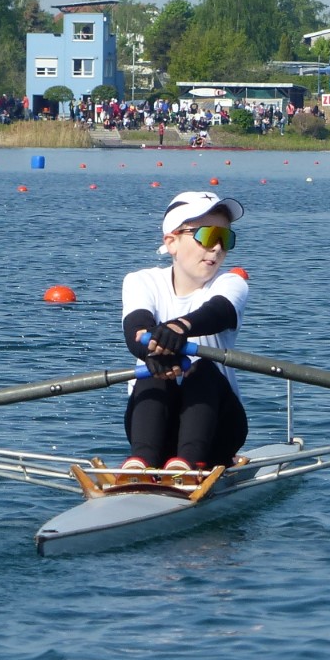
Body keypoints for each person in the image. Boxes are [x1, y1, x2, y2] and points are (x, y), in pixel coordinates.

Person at [120, 190, 250, 475]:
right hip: (152, 423)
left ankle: (188, 464)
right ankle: (140, 464)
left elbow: (217, 312)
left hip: (219, 429)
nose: (217, 248)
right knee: (153, 372)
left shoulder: (231, 283)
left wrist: (179, 329)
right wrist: (153, 354)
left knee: (202, 369)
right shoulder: (141, 281)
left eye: (225, 237)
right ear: (172, 242)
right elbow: (136, 330)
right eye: (207, 235)